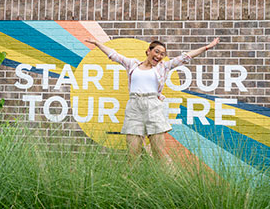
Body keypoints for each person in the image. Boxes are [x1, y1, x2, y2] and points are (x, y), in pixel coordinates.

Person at [86, 37, 220, 161]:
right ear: (148, 51)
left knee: (159, 153)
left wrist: (207, 47)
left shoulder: (164, 67)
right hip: (134, 106)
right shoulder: (132, 64)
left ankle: (171, 181)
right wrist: (97, 43)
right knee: (133, 154)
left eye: (162, 54)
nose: (159, 56)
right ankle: (133, 183)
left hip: (153, 106)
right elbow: (114, 55)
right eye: (157, 52)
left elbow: (186, 56)